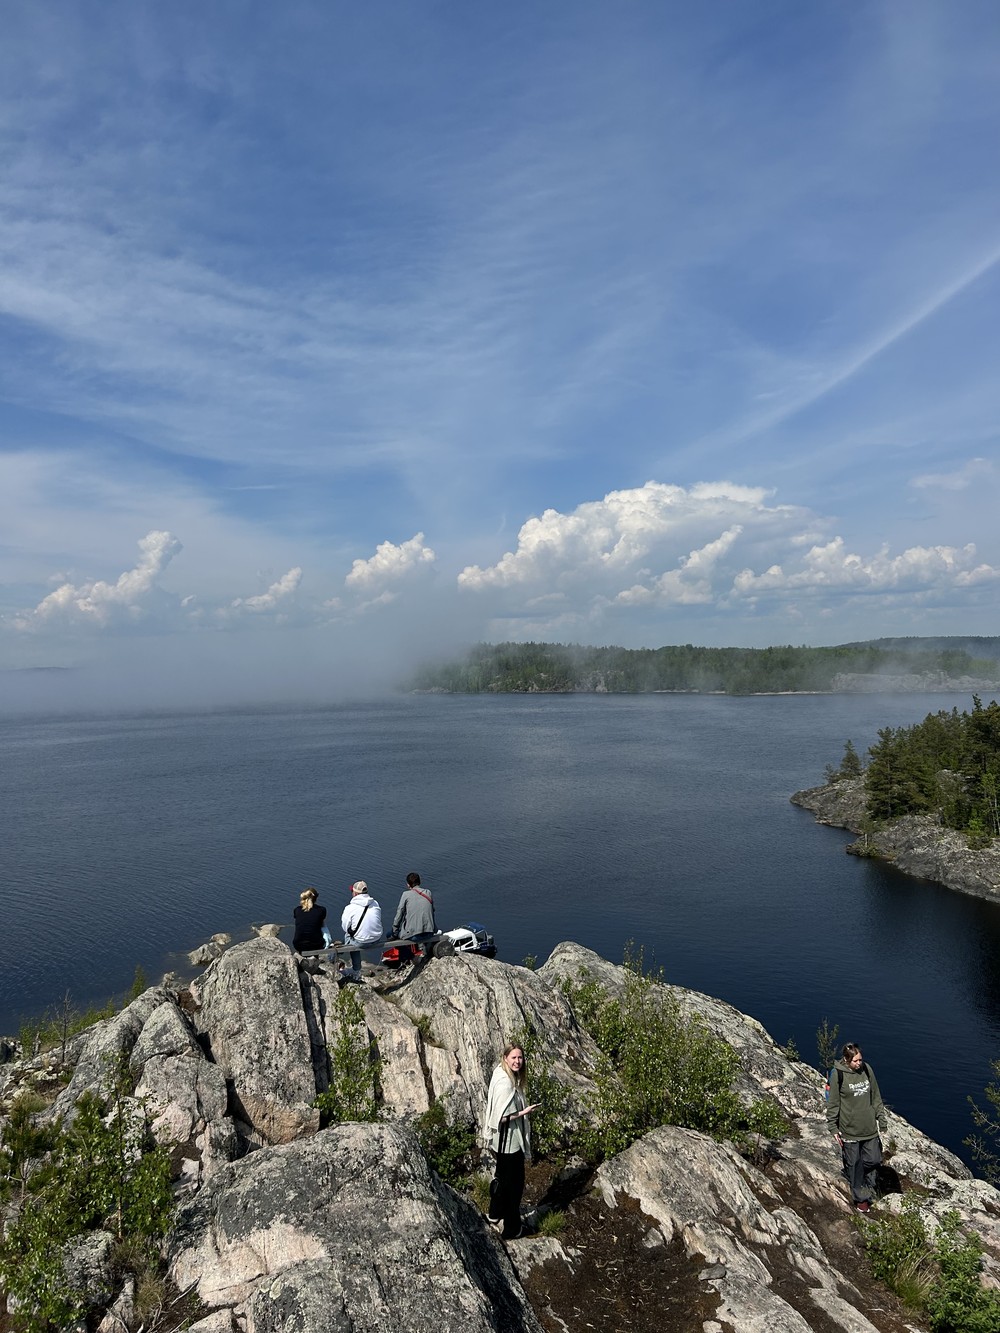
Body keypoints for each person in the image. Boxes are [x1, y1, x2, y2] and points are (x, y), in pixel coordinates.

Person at [483, 1043, 539, 1239]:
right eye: (514, 1058)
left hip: (501, 1141)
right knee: (514, 1187)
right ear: (505, 1058)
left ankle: (494, 1214)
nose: (517, 1061)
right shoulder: (506, 1084)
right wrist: (525, 1111)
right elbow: (499, 1118)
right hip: (509, 1143)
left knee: (501, 1178)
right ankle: (512, 1229)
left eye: (520, 1058)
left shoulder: (500, 1073)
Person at [826, 1042, 888, 1212]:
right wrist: (833, 1127)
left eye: (860, 1060)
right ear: (846, 1060)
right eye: (855, 1061)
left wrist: (881, 1120)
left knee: (874, 1160)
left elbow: (875, 1095)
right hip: (849, 1130)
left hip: (869, 1128)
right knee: (855, 1164)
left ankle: (854, 1174)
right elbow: (833, 1103)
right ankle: (862, 1199)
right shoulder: (838, 1074)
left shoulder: (867, 1070)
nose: (859, 1064)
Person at [340, 880, 384, 982]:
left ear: (355, 893)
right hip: (376, 938)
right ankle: (353, 967)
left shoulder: (350, 908)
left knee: (348, 936)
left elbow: (344, 927)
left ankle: (355, 969)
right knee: (357, 936)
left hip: (362, 943)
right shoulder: (375, 903)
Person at [392, 872, 436, 944]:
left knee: (390, 935)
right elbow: (432, 911)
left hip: (414, 935)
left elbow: (399, 914)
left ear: (408, 885)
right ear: (419, 882)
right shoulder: (428, 893)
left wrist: (395, 930)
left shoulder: (406, 894)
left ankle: (405, 954)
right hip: (429, 933)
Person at [292, 887, 328, 953]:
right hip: (316, 945)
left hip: (298, 944)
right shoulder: (321, 910)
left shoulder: (297, 910)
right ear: (316, 898)